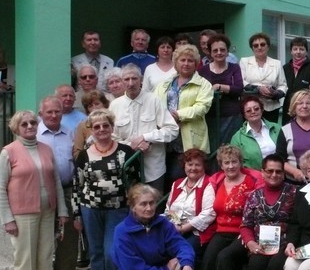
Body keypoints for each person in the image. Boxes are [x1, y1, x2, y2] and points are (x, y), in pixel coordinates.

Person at [0, 110, 68, 270]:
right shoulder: (8, 152)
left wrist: (62, 210)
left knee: (45, 255)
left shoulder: (46, 149)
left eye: (32, 123)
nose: (30, 126)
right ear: (16, 128)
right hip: (22, 214)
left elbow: (56, 182)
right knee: (25, 258)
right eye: (24, 124)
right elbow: (1, 188)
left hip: (48, 211)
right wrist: (7, 219)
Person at [73, 109, 141, 270]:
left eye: (105, 125)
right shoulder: (84, 155)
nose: (101, 129)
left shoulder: (125, 152)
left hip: (117, 209)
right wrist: (77, 213)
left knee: (112, 251)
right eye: (97, 126)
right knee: (95, 251)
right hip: (90, 208)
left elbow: (135, 184)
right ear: (91, 130)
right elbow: (77, 186)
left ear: (112, 127)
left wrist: (134, 207)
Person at [191, 145, 263, 270]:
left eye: (234, 162)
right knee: (208, 260)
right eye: (226, 162)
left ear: (240, 163)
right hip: (221, 230)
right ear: (221, 165)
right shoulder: (217, 183)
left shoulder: (251, 183)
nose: (230, 166)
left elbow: (257, 212)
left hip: (243, 232)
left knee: (224, 259)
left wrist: (249, 233)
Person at [238, 154, 297, 270]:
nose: (274, 175)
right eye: (270, 171)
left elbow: (298, 222)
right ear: (262, 172)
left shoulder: (294, 193)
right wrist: (250, 243)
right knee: (256, 264)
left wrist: (291, 242)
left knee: (276, 266)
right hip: (260, 243)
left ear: (284, 174)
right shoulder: (254, 195)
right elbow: (246, 224)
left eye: (278, 171)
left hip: (285, 243)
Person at [110, 64, 179, 192]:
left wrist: (146, 137)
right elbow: (112, 138)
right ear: (122, 81)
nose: (131, 83)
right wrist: (132, 145)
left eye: (134, 78)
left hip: (153, 168)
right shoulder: (115, 105)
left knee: (155, 202)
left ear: (141, 80)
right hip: (127, 168)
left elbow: (172, 130)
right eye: (126, 79)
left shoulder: (154, 100)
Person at [37, 96, 80, 270]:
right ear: (41, 114)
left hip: (68, 189)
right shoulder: (34, 134)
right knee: (44, 238)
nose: (54, 115)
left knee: (68, 237)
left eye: (57, 111)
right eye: (49, 112)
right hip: (43, 191)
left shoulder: (69, 133)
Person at [155, 45, 213, 187]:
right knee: (165, 178)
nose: (186, 64)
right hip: (166, 139)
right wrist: (164, 118)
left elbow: (202, 107)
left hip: (189, 139)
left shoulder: (203, 84)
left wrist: (178, 115)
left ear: (196, 64)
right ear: (176, 62)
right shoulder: (165, 84)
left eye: (190, 60)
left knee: (180, 177)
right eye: (182, 60)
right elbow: (154, 104)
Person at [197, 33, 243, 149]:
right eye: (215, 50)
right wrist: (228, 88)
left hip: (232, 116)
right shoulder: (202, 71)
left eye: (222, 50)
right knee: (212, 150)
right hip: (210, 117)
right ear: (210, 52)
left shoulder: (234, 67)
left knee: (231, 150)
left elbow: (239, 88)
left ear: (227, 52)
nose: (219, 53)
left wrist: (219, 86)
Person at [240, 32, 287, 124]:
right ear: (252, 48)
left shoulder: (277, 64)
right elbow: (242, 82)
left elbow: (283, 85)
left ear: (268, 46)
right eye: (255, 45)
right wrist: (258, 89)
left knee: (270, 131)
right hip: (250, 107)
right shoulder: (244, 62)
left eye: (262, 44)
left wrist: (275, 93)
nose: (259, 47)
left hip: (271, 107)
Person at [281, 37, 310, 125]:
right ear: (291, 51)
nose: (298, 52)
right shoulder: (285, 68)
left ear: (306, 51)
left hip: (306, 110)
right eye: (295, 49)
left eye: (301, 49)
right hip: (288, 111)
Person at [230, 96, 280, 170]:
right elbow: (235, 163)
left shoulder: (278, 128)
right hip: (252, 175)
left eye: (256, 109)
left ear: (262, 110)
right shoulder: (237, 138)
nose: (253, 112)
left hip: (278, 173)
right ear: (244, 115)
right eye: (248, 111)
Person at [73, 90, 110, 159]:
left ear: (104, 104)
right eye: (90, 106)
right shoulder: (83, 126)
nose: (94, 108)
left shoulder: (112, 121)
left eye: (97, 104)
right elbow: (77, 152)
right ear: (87, 110)